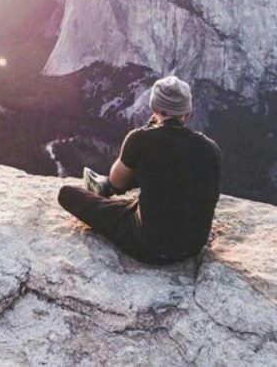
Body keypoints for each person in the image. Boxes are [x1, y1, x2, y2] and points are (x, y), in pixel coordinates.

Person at [58, 75, 222, 264]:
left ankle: (99, 190)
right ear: (188, 113)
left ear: (153, 109)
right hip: (193, 245)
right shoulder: (211, 148)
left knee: (67, 194)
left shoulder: (140, 139)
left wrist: (144, 134)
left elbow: (116, 182)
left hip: (149, 246)